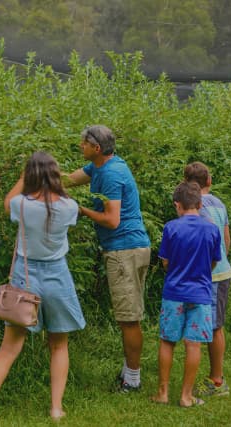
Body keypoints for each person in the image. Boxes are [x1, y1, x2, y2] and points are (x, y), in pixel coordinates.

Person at [0, 152, 86, 422]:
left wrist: (22, 178)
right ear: (54, 175)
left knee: (9, 346)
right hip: (58, 275)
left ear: (32, 175)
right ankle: (56, 409)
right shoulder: (69, 207)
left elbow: (6, 203)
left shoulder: (22, 205)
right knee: (59, 344)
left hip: (25, 275)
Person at [64, 125, 151, 392]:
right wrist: (38, 173)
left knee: (129, 318)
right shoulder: (99, 166)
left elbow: (112, 220)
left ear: (96, 148)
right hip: (127, 248)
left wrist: (80, 210)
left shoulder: (112, 174)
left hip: (125, 250)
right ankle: (128, 373)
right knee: (128, 316)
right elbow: (68, 179)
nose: (80, 145)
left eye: (84, 142)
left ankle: (132, 381)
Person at [151, 181, 221, 407]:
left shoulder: (171, 228)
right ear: (200, 204)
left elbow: (165, 261)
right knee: (193, 345)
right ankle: (186, 396)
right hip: (200, 294)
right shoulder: (212, 228)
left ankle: (162, 393)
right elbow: (213, 262)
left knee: (167, 341)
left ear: (177, 205)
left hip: (174, 292)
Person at [184, 162, 231, 397]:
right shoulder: (220, 203)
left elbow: (210, 239)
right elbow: (226, 241)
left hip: (211, 274)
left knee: (214, 327)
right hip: (221, 271)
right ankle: (213, 377)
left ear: (186, 183)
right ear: (209, 182)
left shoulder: (198, 207)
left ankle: (217, 381)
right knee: (215, 325)